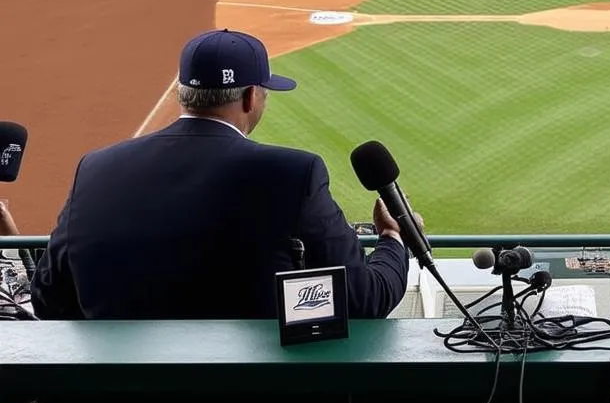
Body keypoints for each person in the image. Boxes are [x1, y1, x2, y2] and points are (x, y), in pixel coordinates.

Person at [32, 29, 410, 320]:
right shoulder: (294, 172)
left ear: (183, 95)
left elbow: (48, 297)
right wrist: (394, 238)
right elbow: (361, 300)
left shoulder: (95, 169)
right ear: (250, 98)